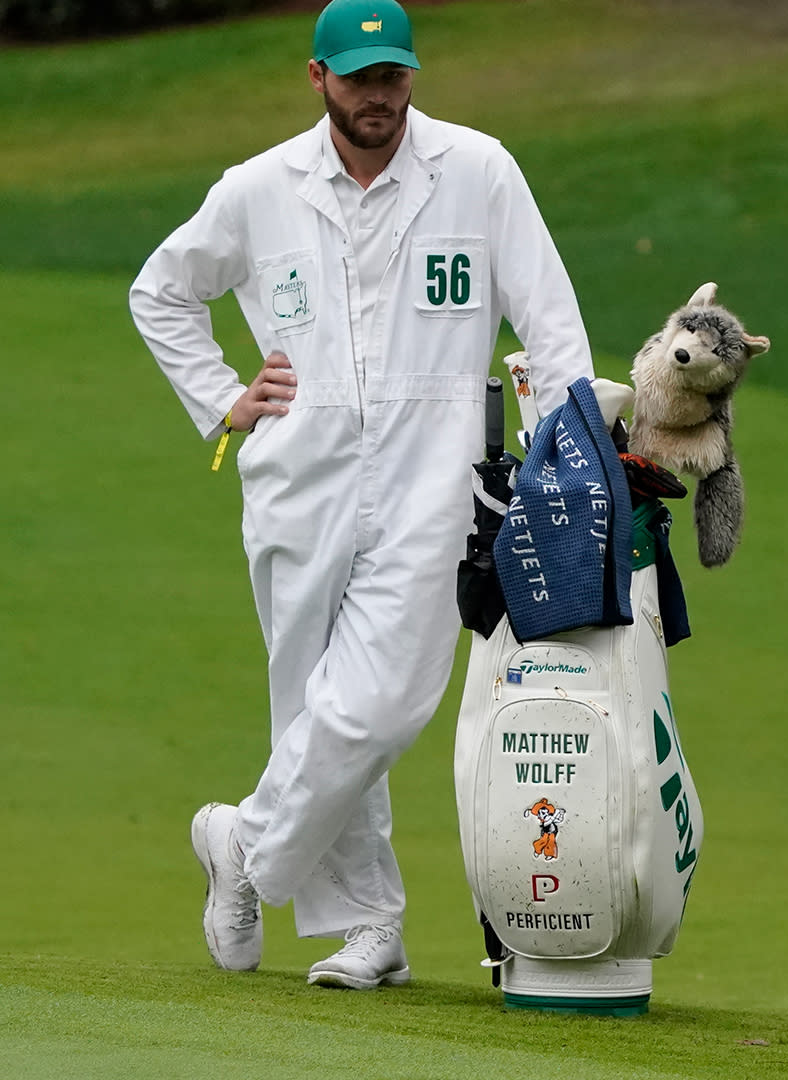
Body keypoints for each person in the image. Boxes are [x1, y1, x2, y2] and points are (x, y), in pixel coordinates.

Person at [130, 0, 594, 989]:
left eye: (392, 78)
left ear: (412, 76)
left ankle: (241, 844)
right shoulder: (261, 189)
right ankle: (370, 926)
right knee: (311, 705)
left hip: (437, 481)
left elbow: (550, 323)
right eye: (358, 79)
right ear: (318, 78)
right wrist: (224, 397)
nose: (378, 97)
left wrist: (575, 443)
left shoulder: (477, 170)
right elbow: (161, 291)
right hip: (299, 479)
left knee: (381, 706)